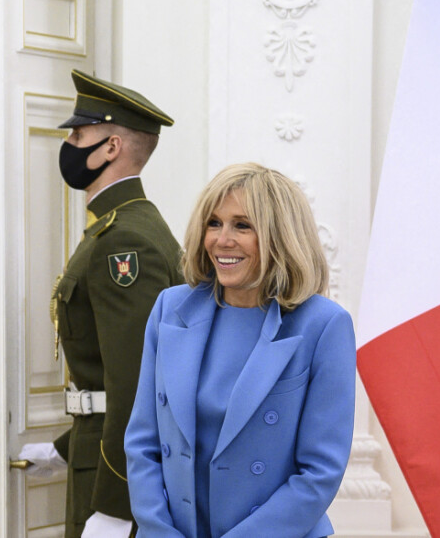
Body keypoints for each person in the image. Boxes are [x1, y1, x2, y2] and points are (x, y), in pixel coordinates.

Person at [124, 162, 356, 538]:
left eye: (242, 225)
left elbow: (319, 472)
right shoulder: (170, 309)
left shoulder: (323, 325)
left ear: (281, 236)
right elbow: (142, 443)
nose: (222, 240)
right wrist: (159, 531)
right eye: (214, 223)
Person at [19, 69, 184, 538]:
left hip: (113, 475)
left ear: (110, 147)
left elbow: (134, 380)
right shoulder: (119, 226)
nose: (70, 143)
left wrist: (117, 505)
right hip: (95, 451)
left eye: (78, 133)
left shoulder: (123, 240)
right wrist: (66, 449)